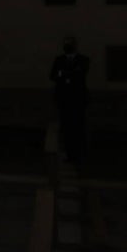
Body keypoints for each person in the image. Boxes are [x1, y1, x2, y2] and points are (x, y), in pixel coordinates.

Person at [50, 36, 89, 166]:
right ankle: (69, 154)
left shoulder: (83, 59)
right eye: (65, 44)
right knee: (66, 129)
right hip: (64, 100)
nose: (67, 46)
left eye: (69, 44)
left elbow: (80, 74)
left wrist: (64, 73)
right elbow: (53, 75)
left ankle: (80, 155)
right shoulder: (59, 59)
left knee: (79, 128)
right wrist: (67, 74)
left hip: (77, 100)